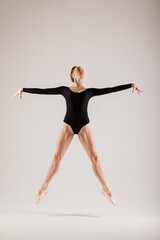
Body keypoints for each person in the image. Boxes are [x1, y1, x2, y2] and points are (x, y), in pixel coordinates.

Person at [12, 66, 143, 205]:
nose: (82, 70)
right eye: (78, 69)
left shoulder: (89, 92)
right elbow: (44, 91)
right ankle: (42, 189)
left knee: (95, 158)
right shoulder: (65, 90)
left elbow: (109, 90)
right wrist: (24, 90)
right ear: (72, 74)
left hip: (83, 127)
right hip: (68, 126)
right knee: (56, 158)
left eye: (83, 69)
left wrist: (130, 85)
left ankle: (107, 190)